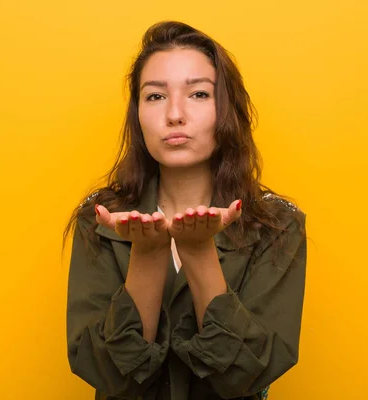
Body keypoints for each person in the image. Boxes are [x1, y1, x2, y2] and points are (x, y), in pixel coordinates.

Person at [64, 20, 307, 400]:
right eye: (155, 96)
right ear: (138, 114)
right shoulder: (99, 220)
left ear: (227, 110)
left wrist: (198, 251)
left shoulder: (277, 226)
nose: (175, 114)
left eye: (198, 94)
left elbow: (246, 375)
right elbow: (109, 375)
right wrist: (147, 253)